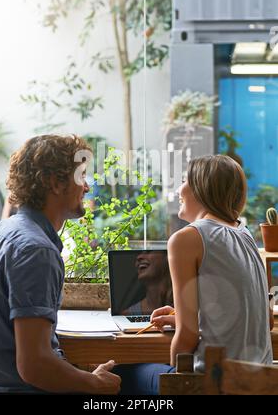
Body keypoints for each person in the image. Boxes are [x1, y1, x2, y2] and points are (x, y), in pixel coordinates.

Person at [114, 154, 273, 394]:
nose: (179, 189)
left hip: (213, 384)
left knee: (114, 374)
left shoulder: (187, 239)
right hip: (257, 383)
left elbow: (187, 338)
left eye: (184, 181)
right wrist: (192, 318)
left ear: (202, 188)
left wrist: (176, 384)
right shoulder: (244, 234)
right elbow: (266, 319)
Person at [0, 135, 121, 394]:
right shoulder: (36, 251)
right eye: (82, 176)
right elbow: (34, 366)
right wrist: (95, 383)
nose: (87, 187)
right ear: (56, 183)